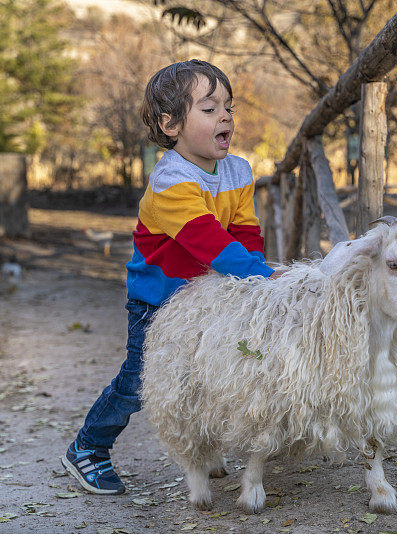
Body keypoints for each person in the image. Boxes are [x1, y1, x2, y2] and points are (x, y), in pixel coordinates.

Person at [61, 59, 280, 494]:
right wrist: (264, 278)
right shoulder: (170, 180)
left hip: (209, 297)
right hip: (159, 300)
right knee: (141, 381)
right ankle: (88, 447)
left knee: (210, 373)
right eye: (209, 108)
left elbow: (244, 231)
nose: (225, 117)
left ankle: (205, 449)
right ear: (170, 123)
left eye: (229, 107)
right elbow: (210, 243)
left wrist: (255, 282)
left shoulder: (238, 171)